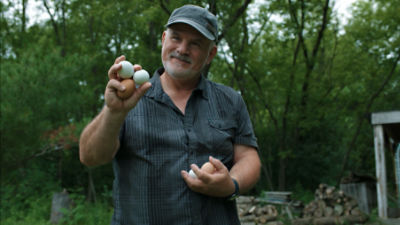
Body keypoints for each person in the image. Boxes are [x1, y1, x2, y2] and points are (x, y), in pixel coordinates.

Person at [79, 4, 261, 225]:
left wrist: (231, 184)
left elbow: (248, 158)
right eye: (176, 38)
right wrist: (113, 112)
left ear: (210, 54)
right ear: (164, 39)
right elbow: (90, 157)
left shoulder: (230, 100)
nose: (183, 49)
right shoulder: (128, 96)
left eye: (195, 44)